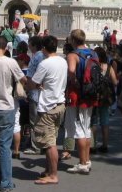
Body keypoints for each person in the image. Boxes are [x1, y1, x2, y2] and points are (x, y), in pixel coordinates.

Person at [0, 35, 26, 192]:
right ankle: (6, 182)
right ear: (5, 48)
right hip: (5, 106)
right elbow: (23, 80)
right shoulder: (10, 62)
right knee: (4, 146)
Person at [28, 35, 68, 185]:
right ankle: (48, 170)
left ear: (44, 48)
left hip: (48, 106)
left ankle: (53, 175)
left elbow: (32, 83)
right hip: (60, 103)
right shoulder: (62, 61)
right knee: (51, 138)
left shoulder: (45, 64)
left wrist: (33, 83)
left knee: (49, 142)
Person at [64, 29, 97, 174]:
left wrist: (74, 80)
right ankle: (87, 159)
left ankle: (83, 163)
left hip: (78, 94)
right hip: (90, 93)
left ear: (72, 40)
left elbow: (71, 71)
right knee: (86, 127)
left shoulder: (73, 55)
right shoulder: (93, 53)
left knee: (79, 130)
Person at [23, 36, 46, 155]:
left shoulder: (36, 57)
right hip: (43, 93)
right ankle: (43, 143)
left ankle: (35, 146)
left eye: (29, 44)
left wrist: (27, 90)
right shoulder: (44, 56)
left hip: (35, 93)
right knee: (42, 120)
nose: (28, 46)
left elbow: (30, 76)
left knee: (34, 121)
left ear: (34, 45)